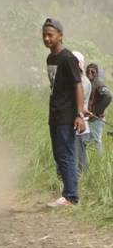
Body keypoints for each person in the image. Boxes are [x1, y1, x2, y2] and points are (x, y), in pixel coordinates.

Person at [42, 18, 86, 207]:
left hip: (67, 115)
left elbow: (78, 85)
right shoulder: (51, 58)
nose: (46, 38)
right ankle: (66, 193)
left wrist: (79, 114)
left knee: (67, 154)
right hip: (55, 113)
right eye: (44, 35)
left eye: (50, 35)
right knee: (59, 154)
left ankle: (71, 196)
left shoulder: (68, 58)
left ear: (60, 35)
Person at [72, 51, 91, 174]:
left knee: (79, 163)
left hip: (80, 127)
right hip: (74, 126)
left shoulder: (83, 82)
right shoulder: (75, 81)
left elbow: (77, 103)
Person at [86, 63, 111, 153]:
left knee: (96, 142)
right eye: (88, 71)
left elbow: (108, 96)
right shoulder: (89, 83)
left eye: (92, 71)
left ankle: (100, 161)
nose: (90, 73)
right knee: (88, 141)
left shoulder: (99, 83)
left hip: (97, 119)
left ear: (96, 73)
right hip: (90, 118)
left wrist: (96, 111)